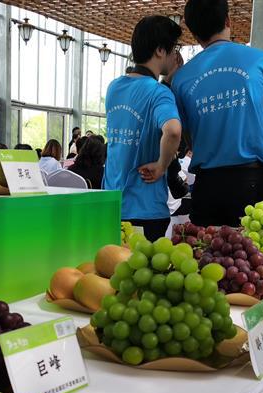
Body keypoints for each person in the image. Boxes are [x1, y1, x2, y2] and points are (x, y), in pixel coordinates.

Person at [170, 0, 263, 226]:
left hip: (207, 184)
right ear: (228, 20)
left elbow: (188, 138)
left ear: (194, 34)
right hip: (251, 179)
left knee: (206, 255)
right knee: (250, 257)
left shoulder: (182, 79)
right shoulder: (262, 61)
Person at [102, 15, 183, 241]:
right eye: (173, 48)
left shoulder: (114, 88)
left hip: (113, 205)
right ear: (160, 50)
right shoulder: (159, 93)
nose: (175, 55)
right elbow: (173, 130)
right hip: (146, 209)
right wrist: (161, 165)